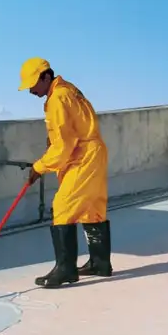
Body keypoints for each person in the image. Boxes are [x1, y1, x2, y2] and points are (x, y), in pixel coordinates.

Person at [18, 57, 113, 288]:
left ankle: (66, 269)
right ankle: (100, 263)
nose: (31, 90)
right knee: (92, 208)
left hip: (83, 156)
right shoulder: (68, 89)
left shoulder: (58, 98)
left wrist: (39, 167)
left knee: (62, 207)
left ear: (46, 77)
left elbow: (63, 146)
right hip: (93, 152)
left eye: (33, 84)